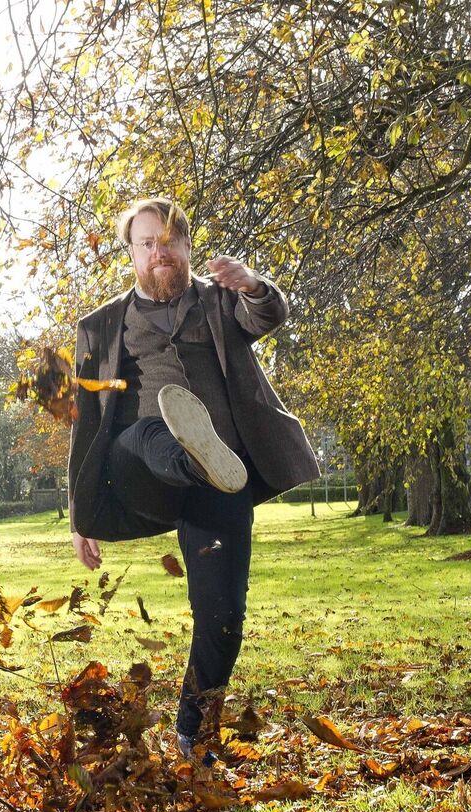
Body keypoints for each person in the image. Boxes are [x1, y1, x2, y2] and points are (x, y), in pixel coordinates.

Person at [67, 197, 318, 760]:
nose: (160, 252)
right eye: (147, 243)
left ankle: (193, 733)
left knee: (223, 616)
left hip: (221, 483)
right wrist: (80, 515)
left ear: (186, 246)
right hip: (140, 472)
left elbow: (268, 315)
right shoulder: (101, 326)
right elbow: (85, 425)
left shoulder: (219, 301)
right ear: (132, 253)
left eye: (170, 241)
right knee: (148, 433)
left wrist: (252, 284)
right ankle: (187, 452)